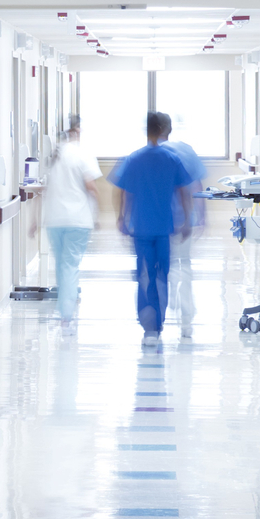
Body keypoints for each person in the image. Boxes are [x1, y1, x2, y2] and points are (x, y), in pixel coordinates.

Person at [109, 111, 192, 346]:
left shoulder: (134, 159)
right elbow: (184, 192)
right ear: (165, 130)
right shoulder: (172, 158)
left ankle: (149, 328)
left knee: (145, 275)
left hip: (141, 228)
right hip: (164, 228)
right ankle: (159, 323)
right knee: (161, 275)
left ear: (146, 130)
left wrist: (121, 218)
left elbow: (124, 192)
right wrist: (186, 221)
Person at [39, 116, 102, 332]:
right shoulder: (83, 153)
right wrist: (98, 213)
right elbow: (90, 185)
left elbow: (45, 189)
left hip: (55, 219)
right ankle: (66, 313)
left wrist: (34, 221)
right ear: (76, 131)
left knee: (61, 265)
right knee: (70, 265)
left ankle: (63, 309)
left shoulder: (55, 154)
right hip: (78, 219)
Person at [162, 134, 209, 339]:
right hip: (184, 218)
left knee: (165, 264)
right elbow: (196, 185)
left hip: (159, 219)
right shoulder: (186, 151)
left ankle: (169, 300)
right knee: (184, 264)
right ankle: (187, 318)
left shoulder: (153, 153)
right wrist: (202, 215)